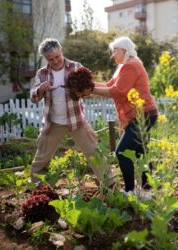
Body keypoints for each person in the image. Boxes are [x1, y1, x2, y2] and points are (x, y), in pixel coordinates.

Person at [67, 37, 158, 197]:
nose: (113, 55)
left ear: (123, 50)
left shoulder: (131, 65)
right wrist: (89, 86)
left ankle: (130, 191)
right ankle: (146, 191)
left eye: (114, 51)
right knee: (141, 152)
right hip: (141, 114)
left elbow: (118, 91)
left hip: (142, 114)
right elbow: (110, 85)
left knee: (122, 151)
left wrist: (89, 89)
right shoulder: (125, 66)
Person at [29, 38, 114, 186]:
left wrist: (80, 90)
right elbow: (33, 97)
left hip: (76, 120)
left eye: (57, 56)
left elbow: (87, 89)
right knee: (41, 158)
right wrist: (40, 89)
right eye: (51, 59)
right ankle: (38, 190)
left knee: (94, 153)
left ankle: (110, 186)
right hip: (53, 123)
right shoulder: (42, 73)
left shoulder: (76, 67)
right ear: (46, 58)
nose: (55, 61)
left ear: (61, 51)